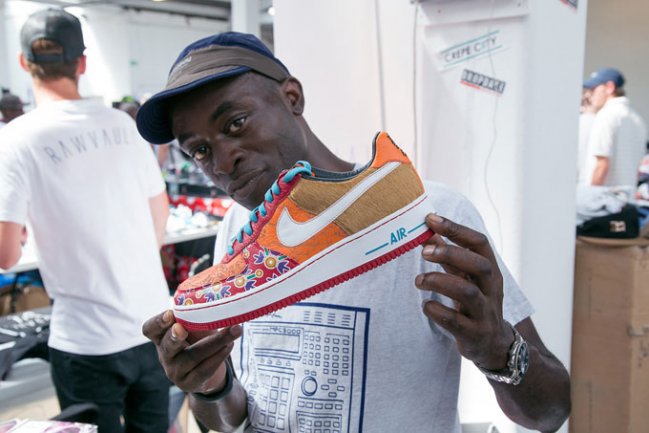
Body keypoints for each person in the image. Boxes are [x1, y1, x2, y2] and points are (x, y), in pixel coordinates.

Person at [138, 32, 571, 433]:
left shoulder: (430, 216)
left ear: (292, 97)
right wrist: (209, 384)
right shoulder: (237, 226)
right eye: (200, 150)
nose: (221, 162)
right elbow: (232, 418)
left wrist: (499, 350)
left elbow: (551, 411)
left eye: (236, 123)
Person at [0, 8, 171, 432]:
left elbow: (6, 255)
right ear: (82, 63)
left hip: (86, 341)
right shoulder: (125, 126)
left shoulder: (16, 139)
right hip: (153, 327)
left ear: (23, 62)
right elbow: (159, 218)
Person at [582, 67, 647, 190]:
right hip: (629, 197)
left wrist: (591, 194)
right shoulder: (637, 119)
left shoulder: (606, 115)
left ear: (610, 87)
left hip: (605, 198)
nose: (590, 95)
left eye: (594, 89)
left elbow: (602, 163)